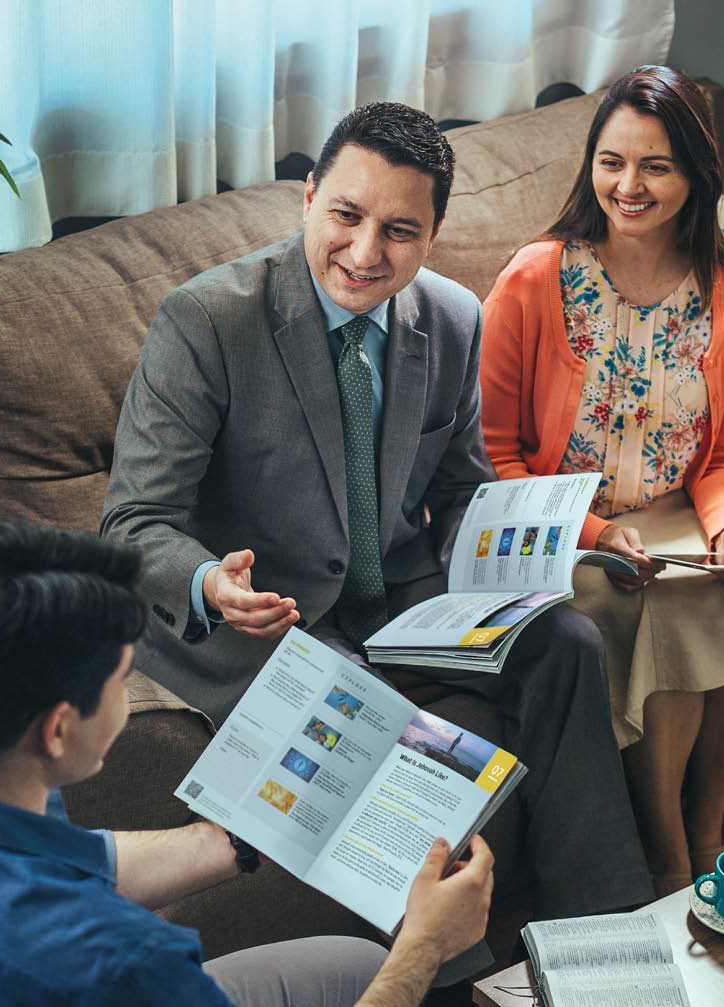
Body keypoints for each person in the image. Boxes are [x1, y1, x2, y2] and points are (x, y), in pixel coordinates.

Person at [102, 101, 652, 925]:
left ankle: (604, 939)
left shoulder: (455, 318)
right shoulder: (207, 321)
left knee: (568, 639)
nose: (365, 253)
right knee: (362, 715)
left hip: (403, 598)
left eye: (399, 230)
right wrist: (213, 582)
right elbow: (132, 522)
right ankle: (434, 973)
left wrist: (529, 561)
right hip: (269, 620)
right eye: (347, 216)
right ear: (309, 197)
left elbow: (460, 493)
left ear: (432, 234)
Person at [0, 522, 494, 1007]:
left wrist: (235, 840)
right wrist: (426, 945)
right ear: (59, 728)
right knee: (387, 966)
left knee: (351, 961)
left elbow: (67, 859)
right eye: (125, 678)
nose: (130, 697)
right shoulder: (128, 963)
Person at [478, 66, 724, 896]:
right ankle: (669, 851)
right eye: (612, 162)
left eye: (656, 166)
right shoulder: (535, 279)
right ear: (590, 165)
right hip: (555, 526)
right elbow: (491, 456)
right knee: (672, 617)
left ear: (696, 175)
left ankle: (709, 822)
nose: (629, 186)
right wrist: (596, 534)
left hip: (679, 516)